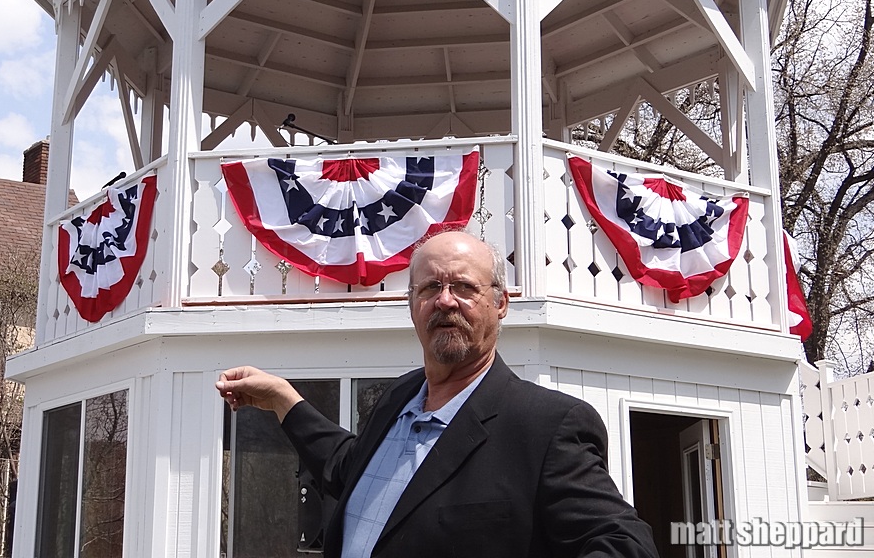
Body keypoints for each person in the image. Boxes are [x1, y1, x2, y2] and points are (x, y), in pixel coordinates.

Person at [215, 229, 659, 558]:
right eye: (430, 288)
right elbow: (351, 469)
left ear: (500, 303)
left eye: (465, 287)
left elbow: (625, 545)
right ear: (411, 305)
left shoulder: (545, 426)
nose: (446, 301)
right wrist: (281, 398)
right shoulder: (399, 397)